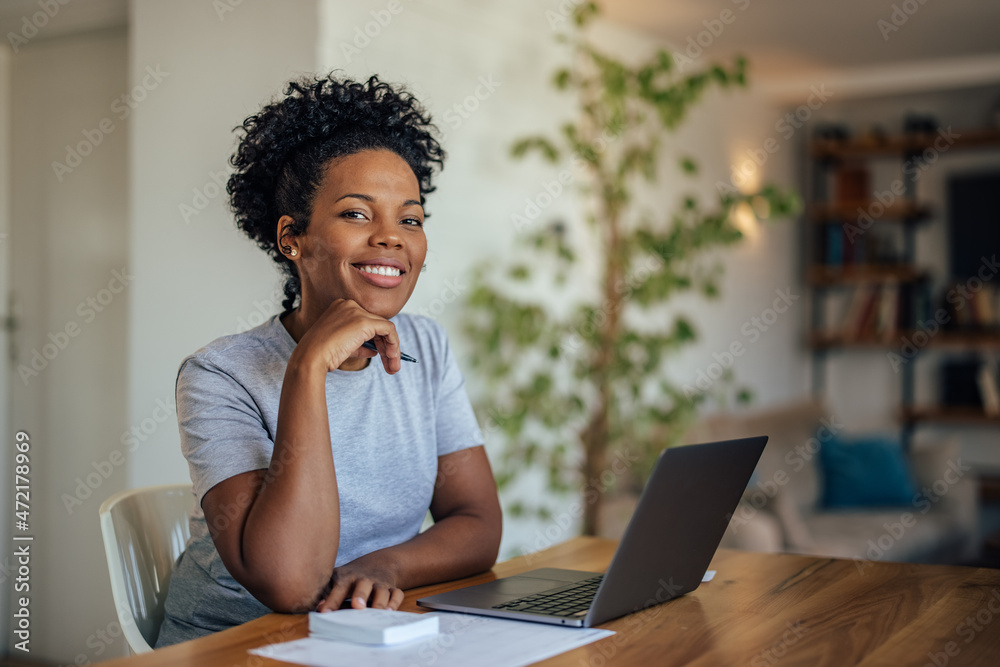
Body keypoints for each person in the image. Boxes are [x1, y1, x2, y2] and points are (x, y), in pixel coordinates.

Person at [156, 74, 502, 647]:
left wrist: (386, 568)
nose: (392, 238)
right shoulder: (219, 374)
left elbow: (477, 524)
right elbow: (290, 584)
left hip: (370, 633)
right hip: (237, 645)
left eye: (410, 219)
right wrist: (308, 367)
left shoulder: (427, 347)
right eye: (357, 214)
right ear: (293, 237)